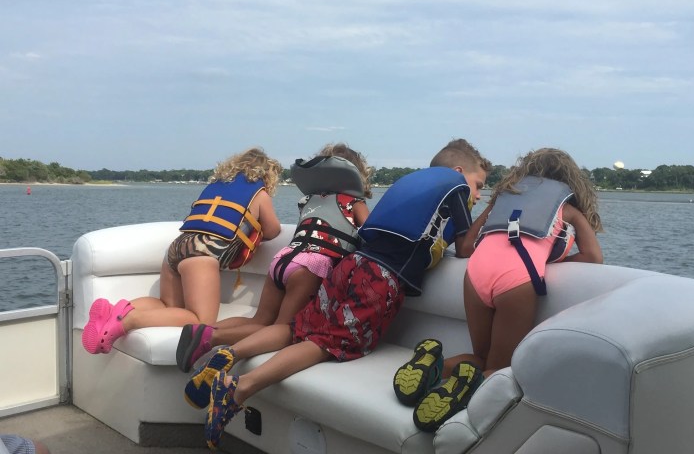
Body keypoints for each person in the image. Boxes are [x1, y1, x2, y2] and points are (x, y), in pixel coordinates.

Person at [193, 138, 491, 450]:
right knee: (326, 344)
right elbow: (466, 246)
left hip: (350, 265)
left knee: (297, 327)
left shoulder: (412, 184)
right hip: (381, 278)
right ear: (459, 171)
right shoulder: (455, 186)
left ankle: (229, 353)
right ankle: (238, 391)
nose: (478, 194)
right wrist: (491, 210)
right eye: (479, 184)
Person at [405, 147, 604, 433]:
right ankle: (459, 395)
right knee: (498, 368)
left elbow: (466, 249)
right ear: (569, 180)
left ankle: (434, 365)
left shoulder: (502, 199)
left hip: (475, 276)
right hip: (516, 280)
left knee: (481, 357)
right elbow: (594, 257)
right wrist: (543, 261)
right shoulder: (567, 207)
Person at [178, 143, 373, 407]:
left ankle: (203, 332)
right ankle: (216, 341)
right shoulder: (354, 202)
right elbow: (372, 235)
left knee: (261, 319)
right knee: (285, 330)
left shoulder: (309, 200)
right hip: (311, 266)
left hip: (283, 259)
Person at [81, 147, 283, 355]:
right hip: (202, 254)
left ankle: (116, 310)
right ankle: (129, 321)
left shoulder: (216, 186)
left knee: (166, 305)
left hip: (177, 248)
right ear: (266, 174)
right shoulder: (260, 194)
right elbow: (273, 229)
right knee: (200, 320)